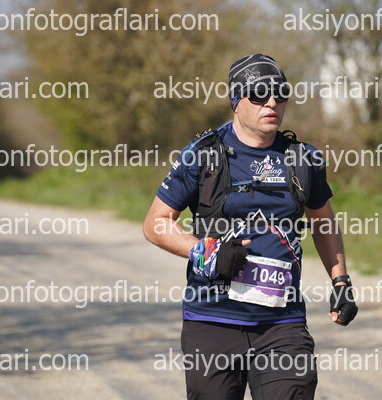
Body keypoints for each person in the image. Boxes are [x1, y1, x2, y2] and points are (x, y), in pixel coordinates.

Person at [144, 53, 358, 400]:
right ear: (235, 100)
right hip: (212, 319)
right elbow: (156, 224)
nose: (272, 102)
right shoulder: (203, 155)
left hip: (282, 323)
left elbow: (323, 222)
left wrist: (341, 281)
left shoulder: (303, 159)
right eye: (259, 93)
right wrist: (207, 252)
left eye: (280, 92)